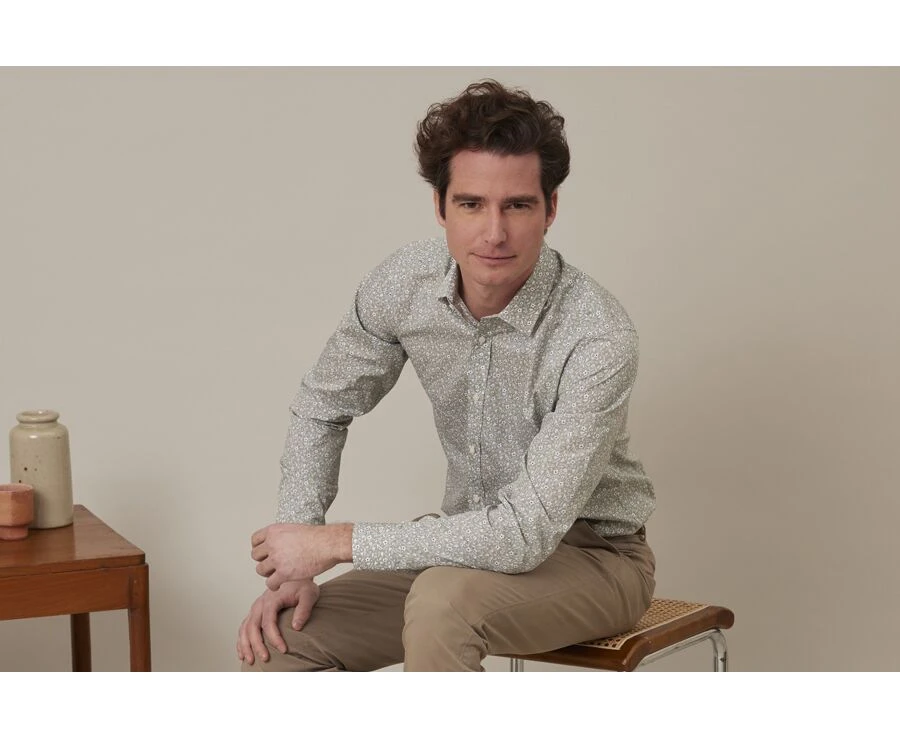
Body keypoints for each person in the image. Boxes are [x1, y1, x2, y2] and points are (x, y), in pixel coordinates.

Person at [237, 79, 657, 672]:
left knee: (442, 604)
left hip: (594, 559)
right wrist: (296, 557)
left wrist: (336, 542)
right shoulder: (404, 284)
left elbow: (524, 533)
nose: (494, 233)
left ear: (551, 209)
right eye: (471, 204)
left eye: (518, 205)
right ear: (440, 207)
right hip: (462, 546)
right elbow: (321, 406)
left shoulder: (597, 333)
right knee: (282, 642)